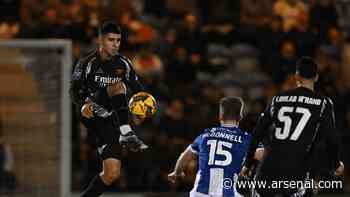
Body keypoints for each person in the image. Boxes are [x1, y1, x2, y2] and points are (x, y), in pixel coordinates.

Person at [241, 57, 344, 197]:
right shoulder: (323, 103)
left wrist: (247, 165)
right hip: (295, 171)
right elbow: (331, 139)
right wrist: (336, 164)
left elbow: (257, 133)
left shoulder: (277, 99)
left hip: (267, 169)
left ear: (296, 76)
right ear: (316, 77)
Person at [70, 20, 148, 197]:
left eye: (118, 41)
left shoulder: (124, 63)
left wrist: (139, 111)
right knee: (118, 85)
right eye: (111, 40)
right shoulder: (86, 63)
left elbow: (139, 90)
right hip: (91, 113)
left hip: (110, 120)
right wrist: (82, 105)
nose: (115, 44)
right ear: (100, 41)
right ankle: (126, 132)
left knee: (112, 173)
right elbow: (74, 91)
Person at [168, 97, 251, 197]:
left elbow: (185, 156)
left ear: (220, 116)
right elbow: (263, 156)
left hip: (199, 193)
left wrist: (177, 172)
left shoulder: (205, 135)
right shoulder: (246, 139)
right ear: (240, 117)